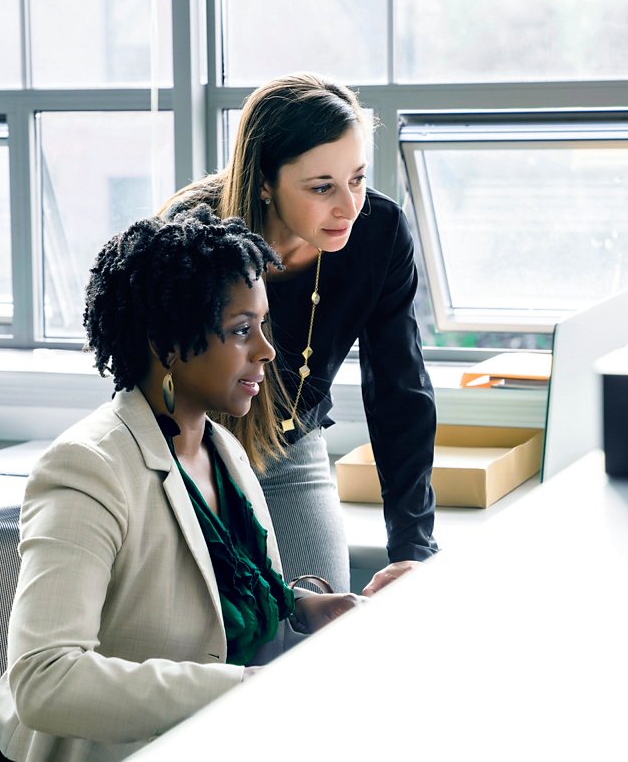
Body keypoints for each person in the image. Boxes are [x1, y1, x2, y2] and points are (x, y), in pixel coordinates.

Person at [0, 206, 362, 762]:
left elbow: (211, 596)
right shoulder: (87, 469)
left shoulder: (222, 450)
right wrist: (243, 693)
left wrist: (301, 610)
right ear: (168, 346)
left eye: (263, 325)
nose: (266, 351)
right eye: (240, 331)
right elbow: (45, 680)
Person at [164, 72, 438, 597]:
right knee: (220, 628)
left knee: (322, 620)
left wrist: (414, 548)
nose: (348, 207)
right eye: (321, 188)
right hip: (189, 452)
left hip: (290, 447)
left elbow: (399, 392)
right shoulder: (195, 234)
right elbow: (158, 389)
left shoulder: (379, 234)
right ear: (265, 181)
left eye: (357, 179)